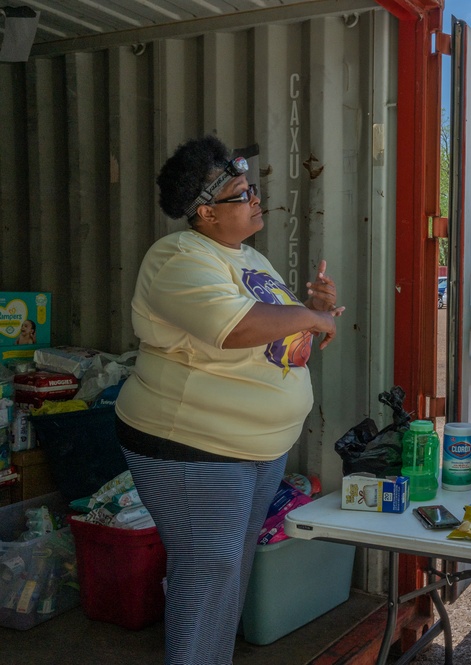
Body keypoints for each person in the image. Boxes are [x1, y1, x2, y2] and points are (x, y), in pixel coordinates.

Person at [114, 135, 345, 665]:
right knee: (208, 575)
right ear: (205, 213)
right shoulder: (176, 258)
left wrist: (312, 311)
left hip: (254, 452)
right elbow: (235, 328)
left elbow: (278, 344)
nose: (256, 198)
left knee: (229, 572)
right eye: (242, 194)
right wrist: (310, 317)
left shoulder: (250, 258)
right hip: (195, 449)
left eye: (252, 188)